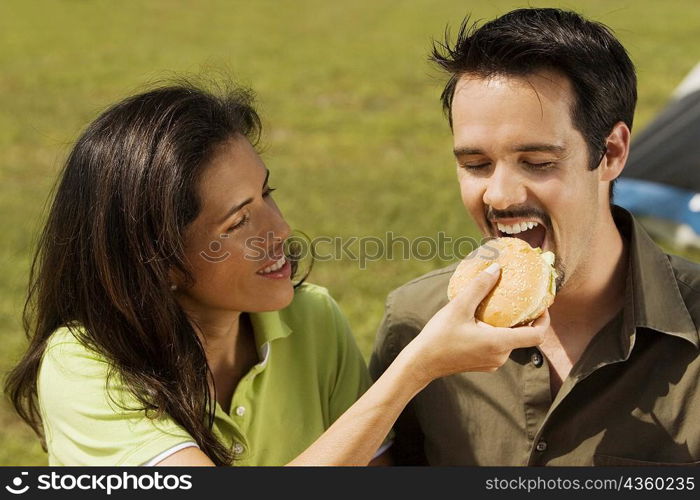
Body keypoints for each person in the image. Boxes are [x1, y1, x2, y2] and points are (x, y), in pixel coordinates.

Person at [4, 82, 548, 466]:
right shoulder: (85, 366)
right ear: (159, 259)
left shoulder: (312, 319)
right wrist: (413, 372)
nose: (281, 228)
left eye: (267, 192)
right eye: (240, 220)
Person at [370, 8, 700, 466]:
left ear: (611, 153)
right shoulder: (414, 322)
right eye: (476, 165)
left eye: (538, 162)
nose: (501, 196)